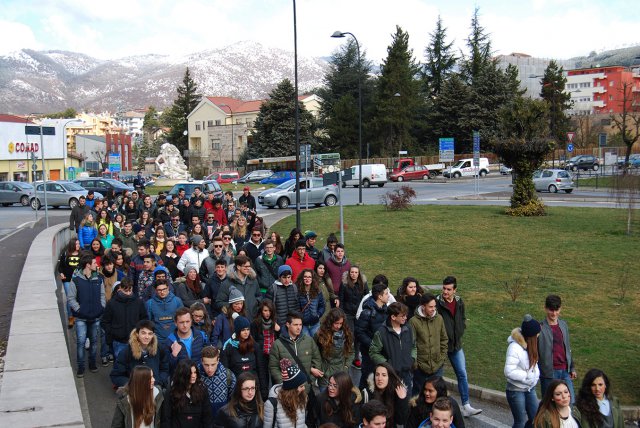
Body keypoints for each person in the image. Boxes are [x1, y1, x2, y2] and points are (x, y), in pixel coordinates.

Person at [436, 276, 482, 417]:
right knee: (438, 377)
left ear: (455, 290)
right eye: (444, 288)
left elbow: (462, 318)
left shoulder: (459, 301)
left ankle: (466, 405)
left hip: (456, 345)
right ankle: (437, 406)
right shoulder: (437, 303)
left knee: (462, 373)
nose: (445, 292)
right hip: (441, 345)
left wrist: (461, 328)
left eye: (449, 289)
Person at [68, 254, 105, 377]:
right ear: (88, 265)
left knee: (94, 341)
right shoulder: (76, 280)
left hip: (95, 316)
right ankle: (81, 366)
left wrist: (101, 307)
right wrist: (79, 310)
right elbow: (71, 298)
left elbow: (102, 295)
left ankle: (92, 363)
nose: (96, 265)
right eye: (94, 263)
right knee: (81, 342)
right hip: (81, 318)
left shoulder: (99, 279)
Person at [269, 311, 322, 391]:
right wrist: (284, 384)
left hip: (306, 388)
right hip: (288, 391)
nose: (299, 327)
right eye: (295, 325)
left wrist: (310, 380)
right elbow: (274, 367)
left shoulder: (309, 341)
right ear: (288, 324)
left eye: (300, 325)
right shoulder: (277, 344)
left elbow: (317, 359)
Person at [409, 293, 449, 397]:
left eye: (434, 306)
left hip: (437, 365)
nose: (433, 309)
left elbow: (444, 339)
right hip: (420, 368)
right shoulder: (413, 322)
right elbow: (411, 345)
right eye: (430, 307)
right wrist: (416, 365)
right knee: (418, 396)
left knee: (438, 394)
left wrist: (442, 358)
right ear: (423, 306)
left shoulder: (439, 318)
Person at [505, 314, 541, 428]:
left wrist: (535, 376)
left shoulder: (530, 346)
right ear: (531, 336)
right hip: (515, 390)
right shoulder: (514, 348)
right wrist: (527, 376)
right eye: (537, 335)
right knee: (520, 422)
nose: (538, 336)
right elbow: (508, 371)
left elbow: (533, 365)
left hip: (529, 388)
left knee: (535, 419)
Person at [369, 302, 416, 391]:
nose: (405, 318)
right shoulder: (381, 332)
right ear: (393, 317)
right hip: (390, 375)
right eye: (402, 316)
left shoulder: (408, 329)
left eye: (406, 315)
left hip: (406, 374)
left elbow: (413, 346)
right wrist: (387, 364)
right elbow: (373, 352)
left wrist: (412, 359)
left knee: (406, 398)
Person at [110, 320, 170, 388]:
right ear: (137, 334)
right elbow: (116, 376)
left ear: (153, 335)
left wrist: (158, 382)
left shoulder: (159, 348)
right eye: (143, 333)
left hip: (155, 388)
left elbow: (164, 369)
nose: (147, 337)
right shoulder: (126, 352)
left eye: (150, 334)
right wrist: (133, 384)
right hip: (135, 390)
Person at [538, 294, 577, 401]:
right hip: (549, 373)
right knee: (549, 403)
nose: (554, 313)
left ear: (560, 308)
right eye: (551, 310)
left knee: (570, 401)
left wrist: (572, 368)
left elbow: (567, 348)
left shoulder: (563, 325)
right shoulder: (540, 328)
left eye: (557, 310)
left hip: (565, 371)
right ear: (545, 308)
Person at [101, 278, 148, 359]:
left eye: (130, 290)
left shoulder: (138, 302)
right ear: (120, 288)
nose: (128, 293)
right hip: (118, 340)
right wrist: (112, 333)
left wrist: (139, 333)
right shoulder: (112, 303)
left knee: (135, 364)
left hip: (135, 340)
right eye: (126, 291)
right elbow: (105, 322)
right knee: (119, 363)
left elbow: (144, 319)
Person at [163, 359, 213, 427]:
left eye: (195, 372)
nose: (193, 376)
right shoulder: (172, 390)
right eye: (190, 373)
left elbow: (207, 415)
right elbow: (166, 417)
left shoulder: (202, 389)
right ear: (183, 374)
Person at [314, 308, 354, 390]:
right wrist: (319, 368)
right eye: (336, 323)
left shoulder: (346, 333)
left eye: (341, 323)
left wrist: (346, 366)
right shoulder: (320, 334)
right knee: (324, 397)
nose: (338, 326)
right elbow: (314, 352)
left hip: (341, 373)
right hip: (325, 374)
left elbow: (351, 351)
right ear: (330, 322)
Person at [353, 281, 384, 384]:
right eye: (386, 294)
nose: (389, 296)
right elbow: (359, 332)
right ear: (380, 296)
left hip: (380, 351)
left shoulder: (385, 310)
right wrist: (373, 345)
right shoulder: (367, 312)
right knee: (368, 377)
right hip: (369, 352)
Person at [361, 362, 409, 428]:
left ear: (389, 377)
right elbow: (362, 420)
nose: (379, 379)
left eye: (384, 375)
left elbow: (400, 421)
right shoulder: (366, 393)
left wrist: (402, 400)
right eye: (377, 375)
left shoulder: (397, 392)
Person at [264, 358, 308, 428]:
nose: (304, 388)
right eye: (301, 386)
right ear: (292, 389)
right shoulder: (272, 404)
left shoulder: (302, 398)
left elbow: (302, 424)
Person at [165, 307, 209, 375]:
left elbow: (208, 359)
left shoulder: (201, 336)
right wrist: (174, 355)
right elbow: (167, 368)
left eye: (187, 321)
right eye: (181, 322)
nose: (185, 325)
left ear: (191, 321)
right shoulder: (170, 340)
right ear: (176, 323)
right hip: (181, 378)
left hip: (199, 376)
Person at [199, 345, 236, 419]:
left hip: (224, 420)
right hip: (201, 421)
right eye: (206, 365)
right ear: (201, 361)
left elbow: (234, 401)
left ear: (218, 360)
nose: (210, 369)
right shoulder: (195, 375)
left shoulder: (228, 375)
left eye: (213, 365)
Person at [146, 279, 184, 344]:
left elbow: (182, 319)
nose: (162, 292)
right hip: (157, 339)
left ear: (168, 288)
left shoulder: (177, 301)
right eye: (159, 290)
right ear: (155, 290)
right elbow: (148, 322)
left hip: (175, 338)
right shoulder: (150, 303)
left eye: (164, 289)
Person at [57, 237, 81, 328]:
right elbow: (60, 267)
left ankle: (77, 315)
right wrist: (61, 273)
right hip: (67, 280)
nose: (78, 245)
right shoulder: (65, 254)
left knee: (78, 297)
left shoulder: (82, 254)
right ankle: (70, 317)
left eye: (79, 244)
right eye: (77, 244)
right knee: (70, 298)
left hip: (79, 280)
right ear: (72, 245)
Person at [297, 268, 325, 337]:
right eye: (305, 277)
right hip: (303, 325)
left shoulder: (318, 291)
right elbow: (296, 308)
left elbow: (322, 306)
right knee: (307, 343)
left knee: (316, 342)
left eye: (309, 277)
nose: (307, 279)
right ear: (302, 278)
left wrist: (318, 315)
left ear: (312, 279)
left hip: (315, 324)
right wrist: (301, 318)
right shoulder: (298, 292)